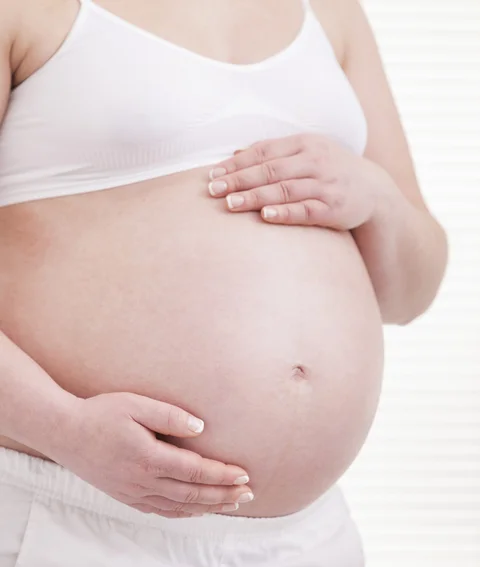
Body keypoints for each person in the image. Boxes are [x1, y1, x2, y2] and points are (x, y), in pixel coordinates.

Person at [0, 0, 448, 565]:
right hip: (81, 514)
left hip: (312, 536)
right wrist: (62, 428)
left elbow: (413, 293)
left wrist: (375, 195)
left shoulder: (333, 12)